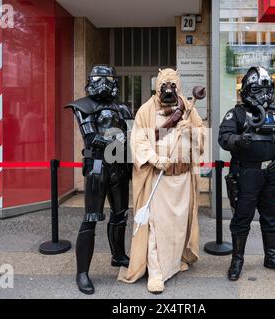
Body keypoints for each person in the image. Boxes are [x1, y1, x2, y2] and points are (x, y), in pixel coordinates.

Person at [118, 68, 205, 294]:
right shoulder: (146, 110)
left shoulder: (188, 107)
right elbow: (137, 139)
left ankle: (174, 264)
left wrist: (192, 132)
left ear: (179, 87)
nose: (168, 89)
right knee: (157, 227)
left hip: (183, 178)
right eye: (164, 85)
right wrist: (155, 159)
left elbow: (202, 136)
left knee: (178, 226)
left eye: (173, 85)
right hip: (159, 178)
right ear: (158, 87)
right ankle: (156, 272)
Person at [218, 66, 275, 281]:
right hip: (246, 173)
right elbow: (223, 137)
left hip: (270, 174)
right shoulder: (237, 113)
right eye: (258, 89)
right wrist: (238, 140)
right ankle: (237, 260)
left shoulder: (273, 116)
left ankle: (271, 257)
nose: (264, 94)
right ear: (247, 90)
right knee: (242, 217)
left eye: (267, 89)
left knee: (272, 216)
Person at [66, 65, 132, 294]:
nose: (104, 83)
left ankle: (118, 255)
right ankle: (82, 272)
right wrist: (119, 144)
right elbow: (91, 137)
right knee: (91, 219)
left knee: (120, 215)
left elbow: (132, 134)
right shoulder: (83, 106)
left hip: (120, 166)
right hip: (97, 166)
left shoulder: (122, 108)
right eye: (99, 78)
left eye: (108, 78)